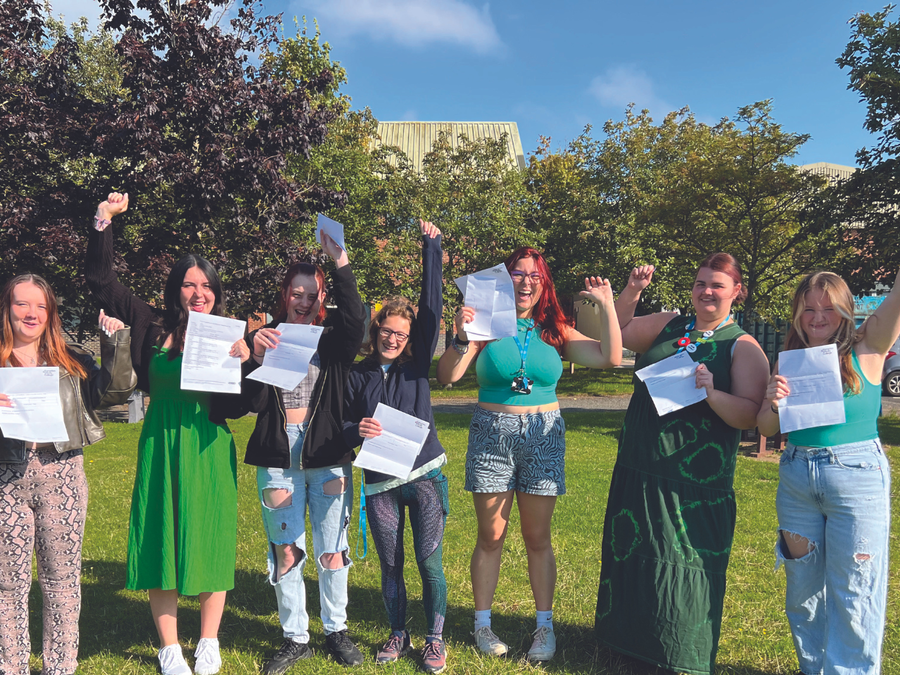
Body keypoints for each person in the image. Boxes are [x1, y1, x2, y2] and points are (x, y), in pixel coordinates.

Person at [85, 193, 249, 675]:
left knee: (211, 535)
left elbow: (242, 405)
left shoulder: (227, 334)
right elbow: (101, 281)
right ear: (175, 288)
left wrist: (247, 361)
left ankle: (209, 640)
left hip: (208, 443)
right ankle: (170, 647)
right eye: (189, 284)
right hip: (161, 440)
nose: (198, 293)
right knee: (161, 534)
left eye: (207, 285)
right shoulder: (149, 323)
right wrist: (104, 220)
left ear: (216, 292)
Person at [436, 248, 621, 662]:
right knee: (491, 536)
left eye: (534, 276)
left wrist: (608, 306)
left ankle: (544, 627)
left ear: (544, 284)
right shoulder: (485, 325)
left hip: (542, 435)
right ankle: (483, 625)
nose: (525, 282)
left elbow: (609, 357)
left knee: (538, 538)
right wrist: (462, 337)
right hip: (492, 435)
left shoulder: (555, 330)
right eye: (517, 274)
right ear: (505, 281)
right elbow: (448, 376)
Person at [595, 256, 769, 675]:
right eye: (700, 283)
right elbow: (615, 332)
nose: (707, 291)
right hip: (640, 465)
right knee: (634, 550)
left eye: (717, 285)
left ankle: (677, 655)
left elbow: (750, 415)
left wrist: (712, 393)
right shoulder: (670, 325)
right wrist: (632, 292)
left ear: (737, 291)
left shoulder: (743, 346)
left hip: (692, 482)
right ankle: (627, 643)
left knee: (683, 562)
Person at [757, 269, 899, 675]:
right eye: (809, 309)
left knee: (855, 590)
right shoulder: (789, 360)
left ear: (846, 311)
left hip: (855, 475)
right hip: (797, 478)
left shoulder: (869, 346)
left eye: (828, 308)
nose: (818, 317)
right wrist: (773, 401)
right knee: (803, 592)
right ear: (797, 313)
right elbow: (765, 427)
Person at [241, 229, 366, 674]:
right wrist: (254, 358)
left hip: (327, 454)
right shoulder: (266, 337)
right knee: (286, 550)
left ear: (322, 298)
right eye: (297, 294)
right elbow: (247, 403)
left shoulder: (333, 340)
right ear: (285, 295)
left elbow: (357, 321)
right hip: (279, 457)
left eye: (312, 295)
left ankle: (336, 630)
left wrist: (340, 261)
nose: (304, 302)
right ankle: (295, 637)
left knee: (333, 548)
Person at [0, 274, 136, 675]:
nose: (32, 313)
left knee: (61, 580)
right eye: (23, 304)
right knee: (7, 583)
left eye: (41, 306)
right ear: (7, 309)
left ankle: (60, 667)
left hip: (61, 475)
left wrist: (116, 342)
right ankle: (11, 666)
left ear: (51, 313)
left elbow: (115, 393)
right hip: (5, 477)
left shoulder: (70, 359)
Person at [342, 221, 448, 673]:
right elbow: (340, 425)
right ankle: (397, 632)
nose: (393, 339)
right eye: (387, 330)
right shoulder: (357, 373)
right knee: (391, 564)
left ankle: (435, 639)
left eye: (401, 334)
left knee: (429, 563)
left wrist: (432, 249)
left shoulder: (417, 364)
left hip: (423, 476)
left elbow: (432, 307)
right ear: (377, 329)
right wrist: (356, 431)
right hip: (380, 482)